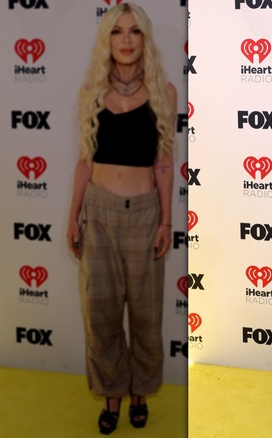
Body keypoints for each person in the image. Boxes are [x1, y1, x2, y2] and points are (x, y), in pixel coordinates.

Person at [66, 2, 177, 434]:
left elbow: (164, 164)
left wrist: (166, 221)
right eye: (117, 31)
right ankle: (111, 395)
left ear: (145, 39)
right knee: (101, 313)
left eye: (134, 31)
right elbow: (84, 161)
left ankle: (140, 394)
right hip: (98, 214)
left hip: (145, 214)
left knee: (147, 315)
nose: (126, 40)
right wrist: (73, 216)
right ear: (106, 40)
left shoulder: (163, 92)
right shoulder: (91, 92)